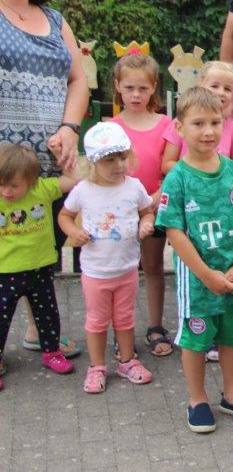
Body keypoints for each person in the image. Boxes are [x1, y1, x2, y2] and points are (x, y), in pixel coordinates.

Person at [154, 87, 233, 433]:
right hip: (198, 281)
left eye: (215, 122)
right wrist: (205, 275)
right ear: (179, 127)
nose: (208, 131)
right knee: (196, 339)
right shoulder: (177, 178)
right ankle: (197, 399)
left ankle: (232, 397)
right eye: (198, 123)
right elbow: (174, 232)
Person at [0, 0, 87, 359]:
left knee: (40, 244)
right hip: (3, 159)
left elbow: (78, 80)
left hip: (52, 154)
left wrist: (70, 128)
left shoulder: (55, 20)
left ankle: (38, 330)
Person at [58, 123, 155, 392]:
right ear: (93, 162)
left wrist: (146, 223)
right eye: (110, 159)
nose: (118, 165)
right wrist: (74, 231)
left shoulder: (133, 187)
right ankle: (97, 366)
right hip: (95, 272)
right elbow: (64, 216)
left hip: (127, 269)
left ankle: (127, 361)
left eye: (123, 157)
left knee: (125, 318)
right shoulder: (83, 190)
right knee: (96, 321)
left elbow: (148, 210)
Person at [109, 54, 175, 357]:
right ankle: (119, 329)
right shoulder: (110, 127)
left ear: (154, 89)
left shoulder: (165, 124)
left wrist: (152, 199)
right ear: (118, 87)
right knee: (118, 272)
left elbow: (169, 170)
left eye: (143, 88)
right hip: (118, 212)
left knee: (152, 267)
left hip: (154, 206)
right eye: (129, 87)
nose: (136, 95)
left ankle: (154, 325)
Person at [0, 144, 78, 389]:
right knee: (1, 320)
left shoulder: (42, 189)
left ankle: (51, 351)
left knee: (48, 315)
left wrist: (61, 156)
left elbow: (72, 180)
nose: (7, 192)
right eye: (2, 185)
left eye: (14, 185)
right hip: (5, 272)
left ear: (31, 180)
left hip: (40, 269)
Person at [162, 61, 233, 175]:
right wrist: (197, 173)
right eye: (214, 86)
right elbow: (167, 164)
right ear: (200, 85)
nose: (221, 92)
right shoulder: (182, 122)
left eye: (227, 89)